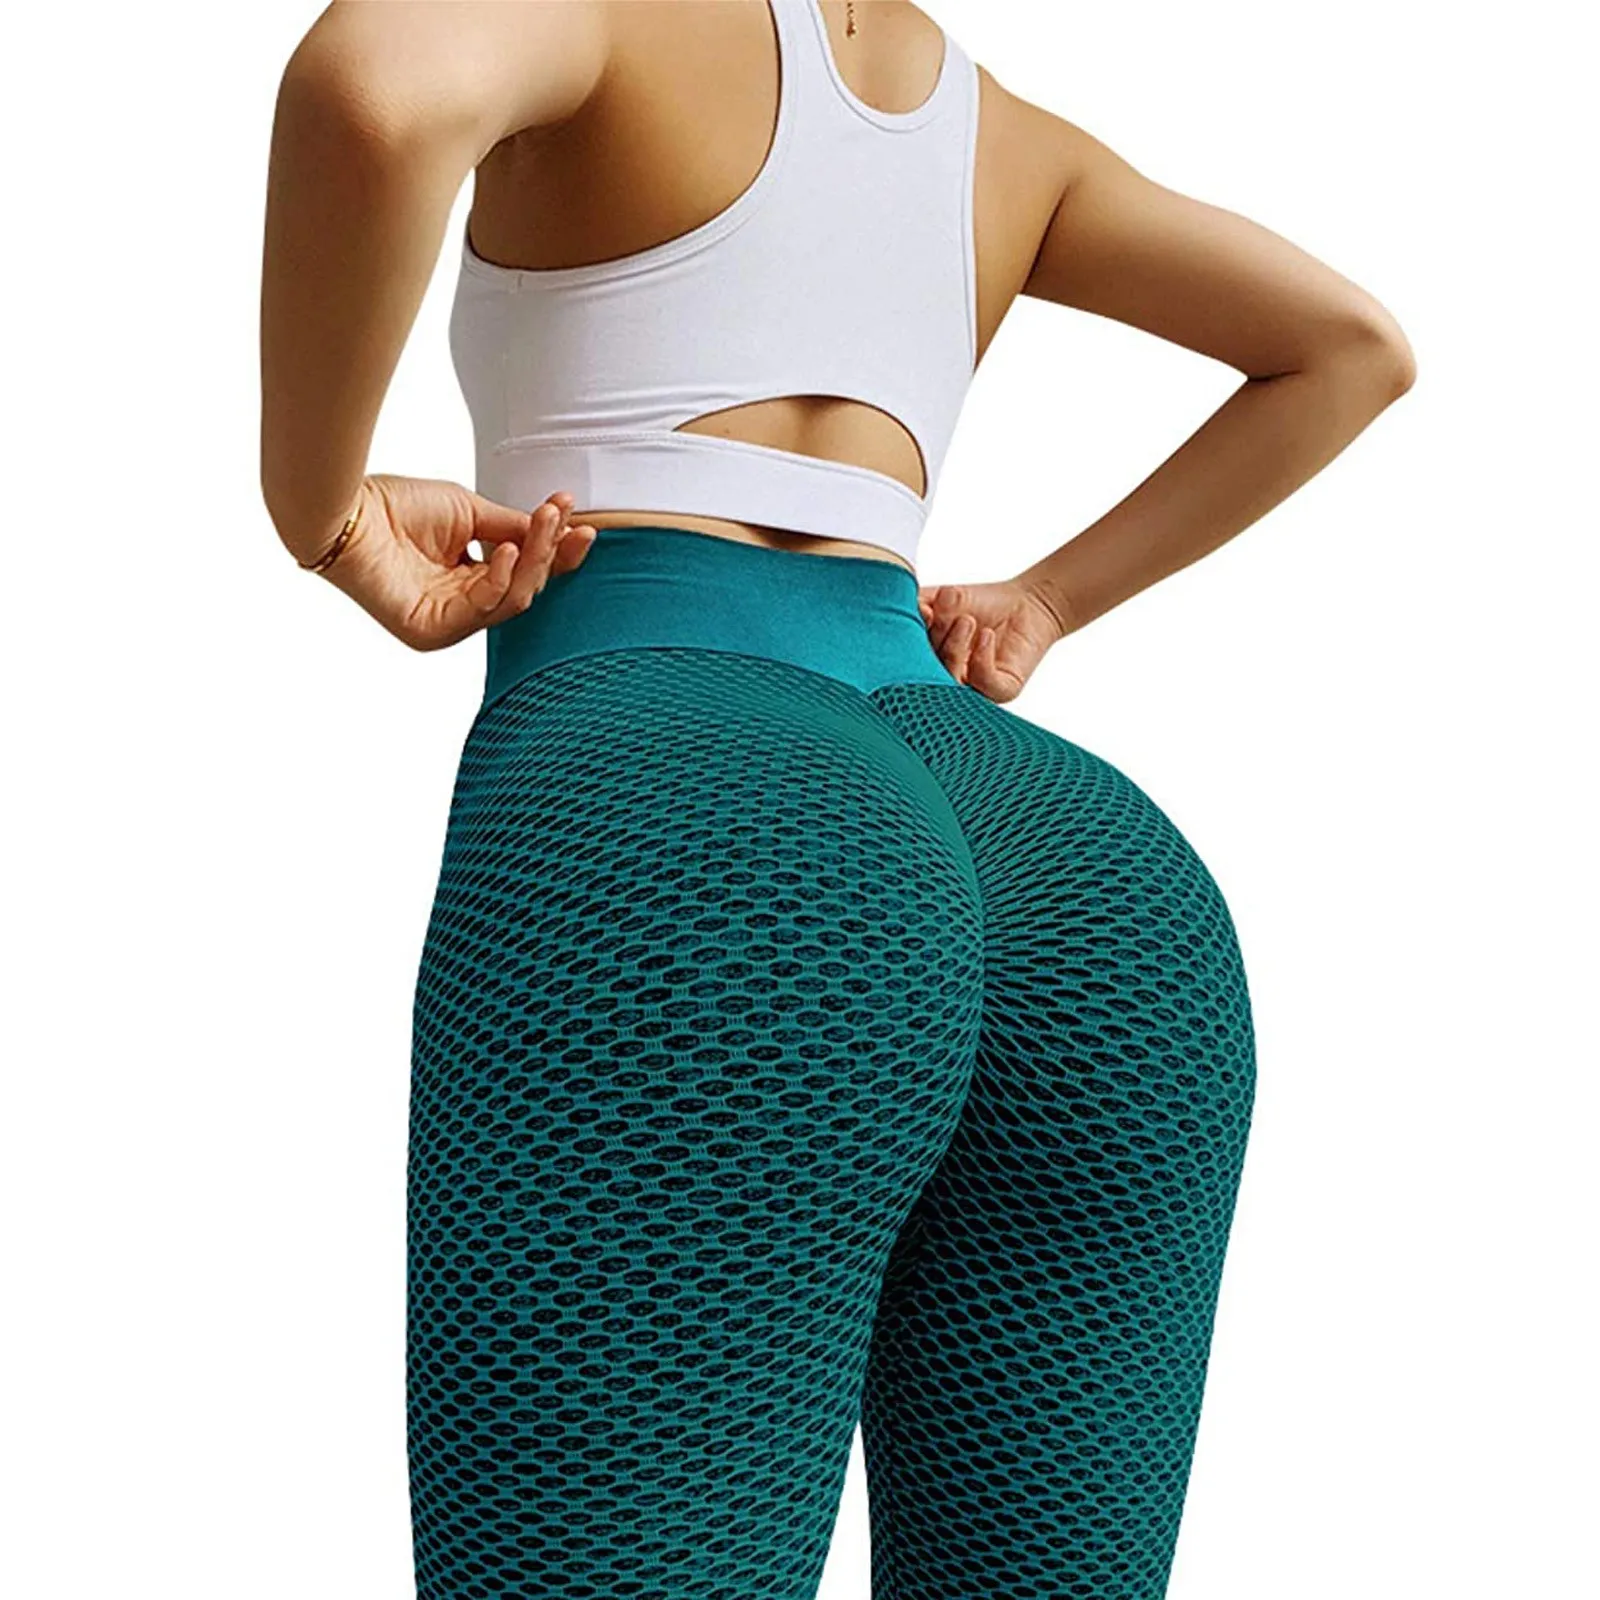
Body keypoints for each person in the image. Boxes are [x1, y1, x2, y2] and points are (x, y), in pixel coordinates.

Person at [260, 3, 1415, 1596]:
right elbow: (1350, 350)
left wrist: (320, 510)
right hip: (1073, 873)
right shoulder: (1005, 141)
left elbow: (371, 95)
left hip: (708, 823)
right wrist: (1049, 602)